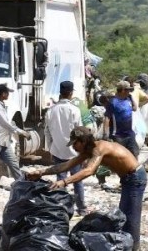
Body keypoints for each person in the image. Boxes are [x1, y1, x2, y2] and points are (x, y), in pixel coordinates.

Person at [28, 126, 147, 251]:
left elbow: (89, 170)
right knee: (125, 214)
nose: (73, 147)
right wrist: (41, 172)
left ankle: (134, 247)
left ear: (83, 141)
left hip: (135, 177)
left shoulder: (99, 148)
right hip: (128, 178)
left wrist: (65, 181)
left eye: (75, 144)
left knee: (131, 216)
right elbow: (66, 165)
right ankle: (130, 245)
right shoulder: (88, 151)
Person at [44, 81, 86, 215]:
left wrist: (50, 148)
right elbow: (80, 132)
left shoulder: (51, 111)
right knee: (77, 180)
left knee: (60, 180)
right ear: (71, 93)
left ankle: (61, 208)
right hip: (74, 152)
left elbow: (47, 132)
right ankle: (82, 209)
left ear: (60, 93)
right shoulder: (74, 110)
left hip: (57, 150)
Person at [104, 81, 140, 156]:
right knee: (119, 157)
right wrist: (105, 134)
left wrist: (131, 97)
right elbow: (107, 118)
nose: (129, 92)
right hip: (118, 136)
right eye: (128, 90)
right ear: (123, 90)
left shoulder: (128, 99)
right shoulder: (113, 102)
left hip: (130, 133)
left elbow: (135, 108)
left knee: (134, 154)